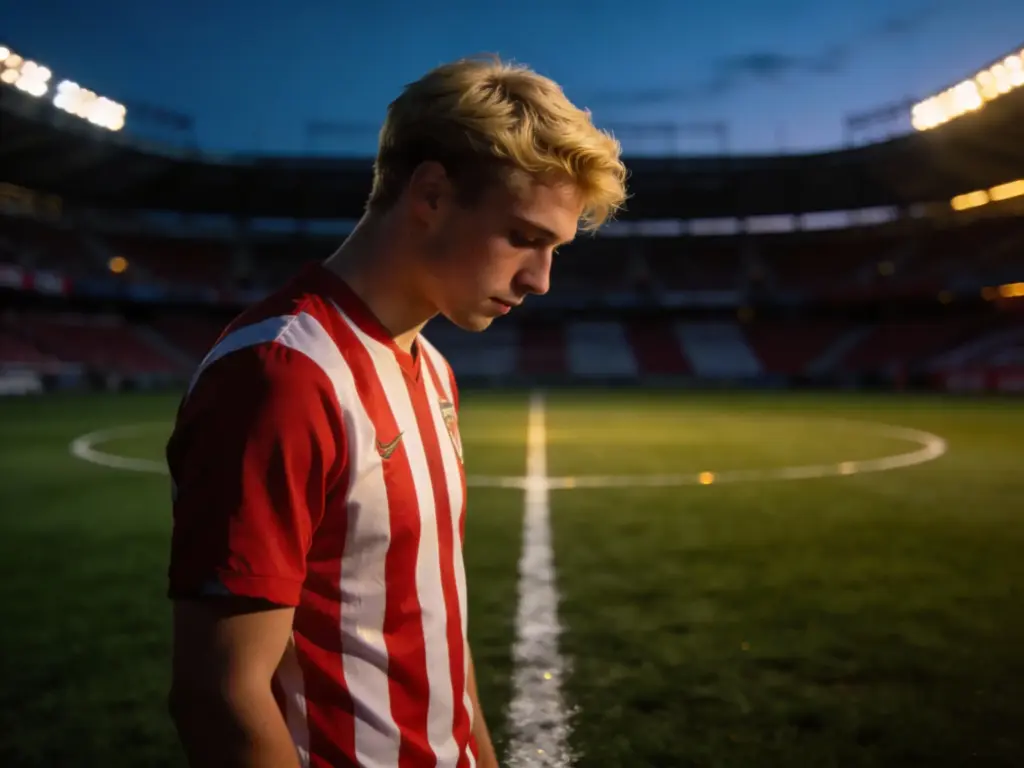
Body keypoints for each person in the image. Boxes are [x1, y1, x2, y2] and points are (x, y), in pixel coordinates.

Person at [165, 54, 627, 768]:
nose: (540, 281)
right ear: (432, 194)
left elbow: (429, 619)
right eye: (525, 238)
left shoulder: (431, 366)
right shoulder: (283, 372)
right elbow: (220, 695)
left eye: (555, 249)